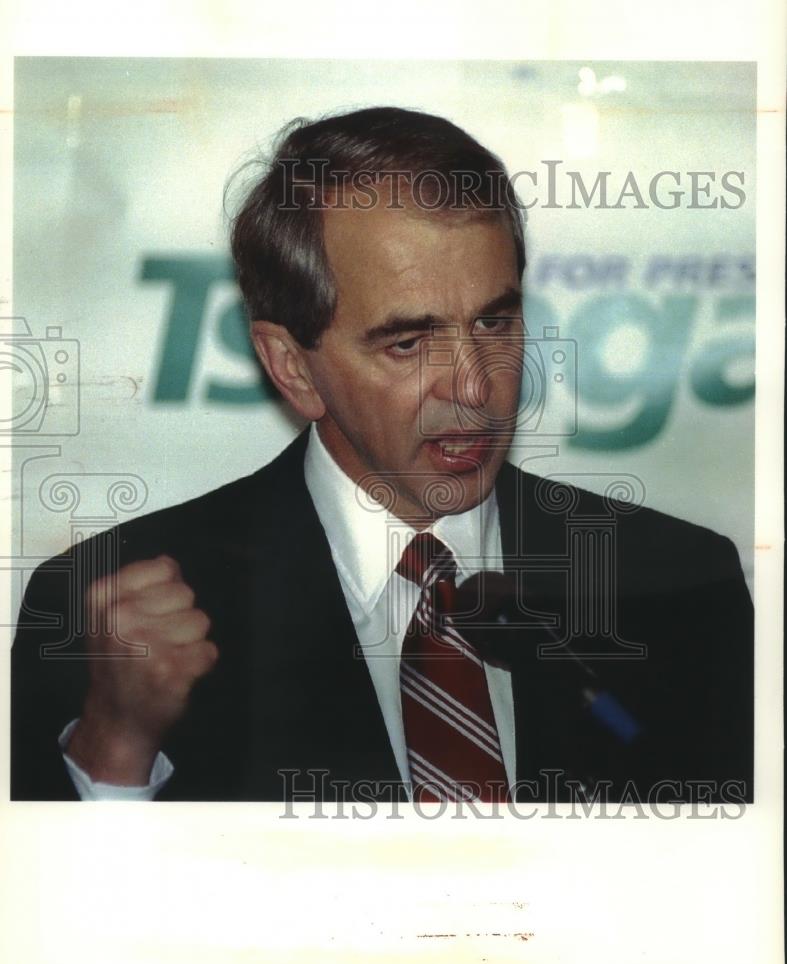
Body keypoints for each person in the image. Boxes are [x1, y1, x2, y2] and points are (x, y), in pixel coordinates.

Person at [11, 107, 753, 804]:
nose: (475, 386)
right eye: (407, 341)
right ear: (292, 367)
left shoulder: (681, 589)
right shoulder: (102, 611)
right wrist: (116, 746)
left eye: (494, 321)